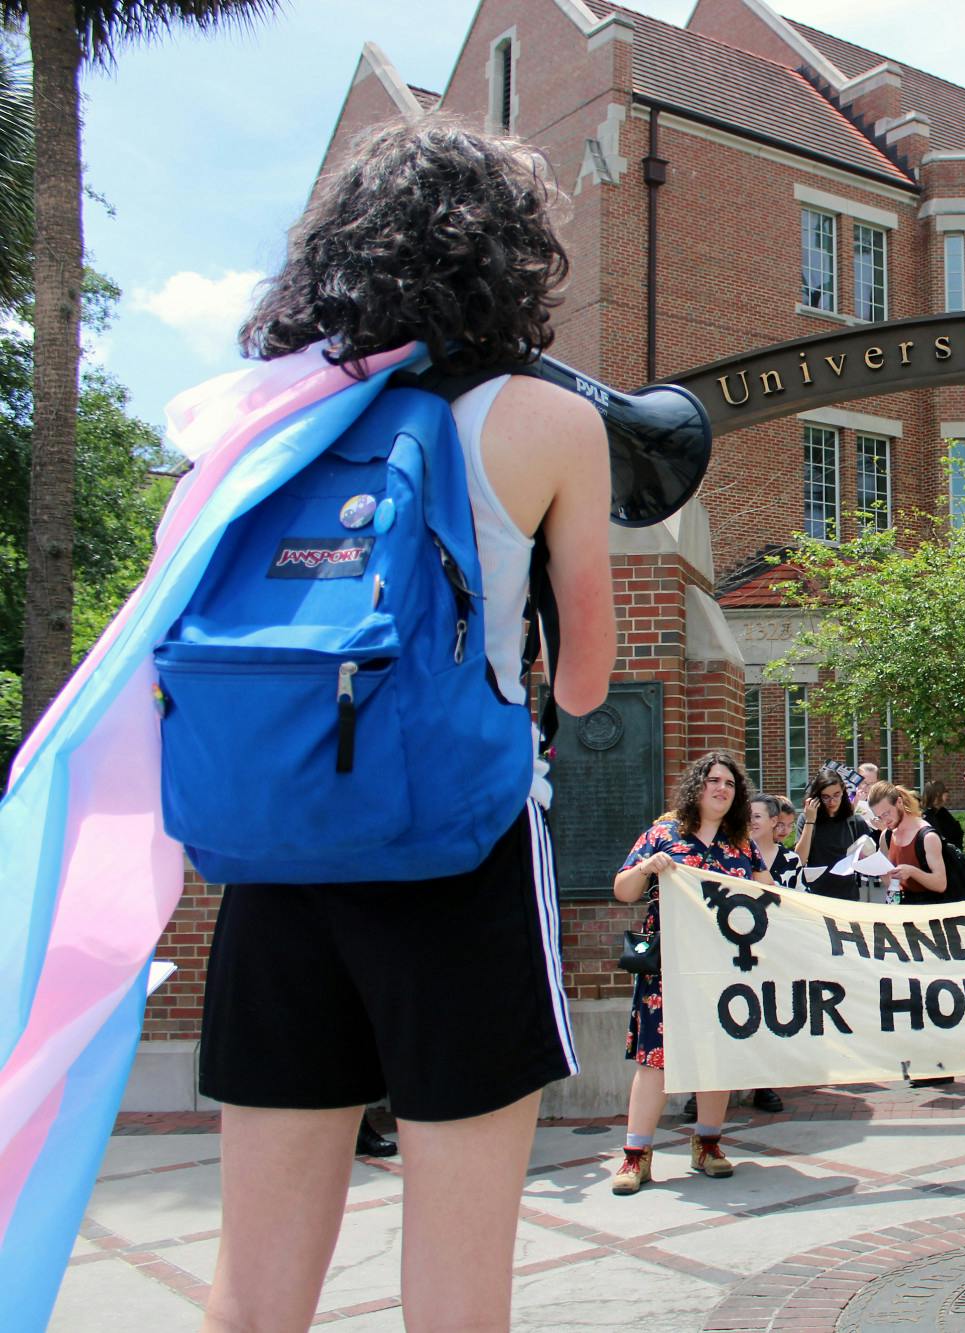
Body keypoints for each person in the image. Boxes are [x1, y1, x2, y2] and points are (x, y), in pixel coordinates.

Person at [196, 122, 615, 1331]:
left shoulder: (261, 418)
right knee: (456, 1295)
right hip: (458, 852)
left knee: (252, 1297)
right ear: (510, 258)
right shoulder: (542, 420)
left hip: (278, 852)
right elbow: (582, 684)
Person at [612, 753, 772, 1193]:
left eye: (730, 784)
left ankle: (708, 1145)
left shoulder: (741, 844)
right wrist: (647, 868)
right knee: (656, 1061)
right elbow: (623, 890)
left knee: (716, 1056)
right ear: (696, 787)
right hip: (668, 969)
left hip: (722, 968)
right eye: (712, 780)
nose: (721, 789)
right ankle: (635, 1157)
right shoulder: (663, 834)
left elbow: (770, 897)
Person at [868, 781, 965, 1087]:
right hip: (905, 916)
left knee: (934, 992)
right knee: (911, 993)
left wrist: (911, 872)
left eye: (887, 813)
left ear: (900, 802)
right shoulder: (889, 835)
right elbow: (891, 876)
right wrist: (890, 876)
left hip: (931, 917)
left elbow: (940, 883)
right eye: (879, 816)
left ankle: (940, 1063)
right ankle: (922, 1060)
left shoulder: (927, 835)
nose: (885, 820)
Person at [793, 767, 871, 901]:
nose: (832, 802)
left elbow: (869, 860)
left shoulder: (854, 821)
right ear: (816, 798)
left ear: (843, 792)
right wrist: (810, 820)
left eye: (836, 795)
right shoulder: (807, 819)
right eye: (826, 797)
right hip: (814, 895)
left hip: (847, 896)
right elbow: (799, 859)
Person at [750, 794, 802, 889]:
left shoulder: (791, 859)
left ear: (773, 821)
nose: (751, 821)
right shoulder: (738, 856)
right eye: (748, 816)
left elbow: (804, 897)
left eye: (757, 816)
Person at [919, 778, 964, 850]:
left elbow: (957, 832)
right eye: (945, 791)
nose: (947, 794)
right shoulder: (926, 816)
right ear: (937, 794)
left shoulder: (942, 812)